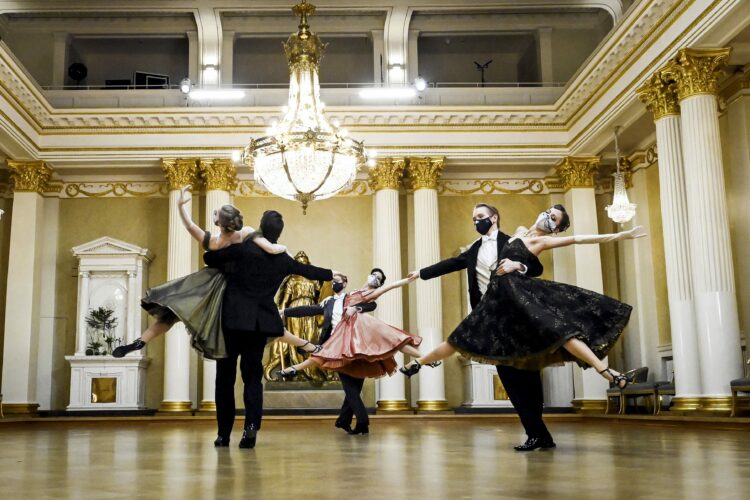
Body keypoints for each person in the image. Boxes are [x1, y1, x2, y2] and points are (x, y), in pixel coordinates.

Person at [402, 205, 644, 402]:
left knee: (561, 332)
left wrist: (619, 235)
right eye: (548, 212)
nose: (547, 218)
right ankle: (418, 363)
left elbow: (577, 239)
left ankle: (608, 373)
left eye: (553, 219)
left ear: (555, 228)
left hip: (518, 295)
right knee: (459, 337)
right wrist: (421, 272)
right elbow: (455, 262)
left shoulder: (541, 242)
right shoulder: (517, 232)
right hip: (495, 299)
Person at [402, 203, 554, 451]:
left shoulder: (512, 242)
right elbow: (452, 264)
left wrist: (519, 266)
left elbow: (536, 267)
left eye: (480, 217)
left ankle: (539, 434)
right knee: (510, 379)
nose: (476, 222)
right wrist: (421, 272)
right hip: (490, 318)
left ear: (494, 218)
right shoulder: (474, 249)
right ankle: (536, 434)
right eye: (474, 219)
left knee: (529, 376)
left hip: (517, 315)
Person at [203, 209, 341, 449]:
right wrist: (332, 273)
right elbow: (307, 270)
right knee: (252, 378)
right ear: (279, 233)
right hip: (259, 324)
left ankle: (223, 434)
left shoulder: (244, 249)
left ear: (260, 228)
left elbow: (209, 259)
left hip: (232, 321)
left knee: (224, 379)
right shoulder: (283, 259)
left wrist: (225, 244)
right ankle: (251, 428)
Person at [112, 186, 292, 359]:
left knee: (172, 313)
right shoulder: (244, 233)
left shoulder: (213, 242)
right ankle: (304, 345)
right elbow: (272, 249)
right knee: (261, 321)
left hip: (207, 283)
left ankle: (141, 341)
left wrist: (181, 206)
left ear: (218, 223)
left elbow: (190, 226)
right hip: (234, 287)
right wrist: (287, 254)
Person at [275, 269, 423, 435]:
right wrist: (284, 311)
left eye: (338, 280)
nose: (335, 283)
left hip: (355, 344)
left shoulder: (358, 296)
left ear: (344, 283)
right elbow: (309, 309)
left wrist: (406, 281)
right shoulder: (332, 300)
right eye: (334, 280)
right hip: (337, 345)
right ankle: (352, 421)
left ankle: (358, 421)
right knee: (351, 388)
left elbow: (373, 301)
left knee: (353, 388)